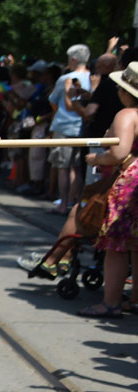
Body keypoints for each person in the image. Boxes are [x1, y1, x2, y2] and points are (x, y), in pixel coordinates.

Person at [78, 61, 138, 318]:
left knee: (117, 244)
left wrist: (96, 159)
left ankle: (111, 302)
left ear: (126, 91)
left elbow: (119, 153)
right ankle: (135, 299)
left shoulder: (127, 115)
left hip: (131, 181)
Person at [46, 44, 93, 214]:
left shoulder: (66, 78)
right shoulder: (93, 78)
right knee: (77, 167)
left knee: (63, 167)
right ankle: (75, 203)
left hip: (64, 127)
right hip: (83, 128)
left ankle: (63, 203)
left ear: (73, 59)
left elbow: (53, 100)